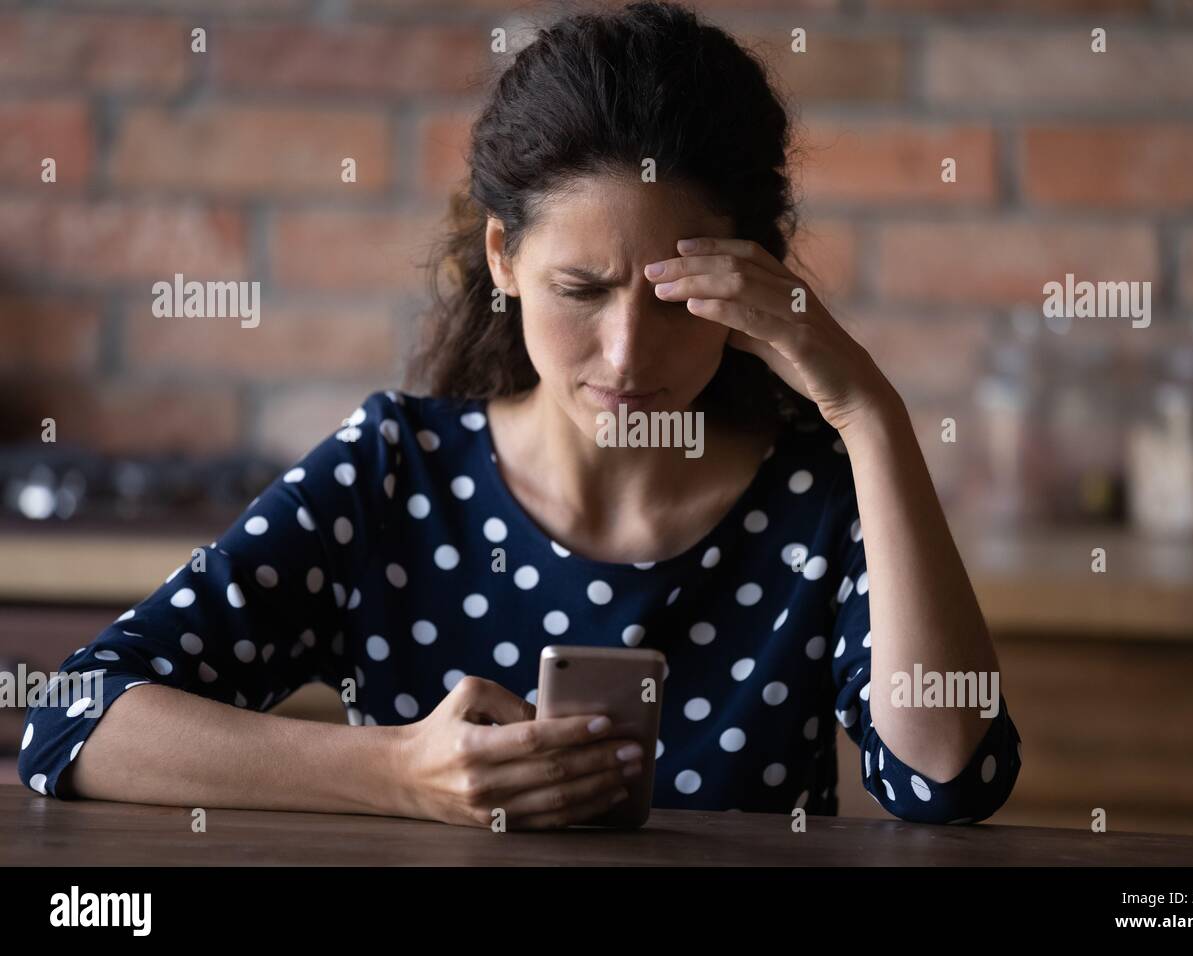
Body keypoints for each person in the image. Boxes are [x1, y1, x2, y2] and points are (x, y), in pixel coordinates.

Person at [18, 0, 1020, 829]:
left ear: (750, 278)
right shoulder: (395, 472)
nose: (626, 357)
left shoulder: (818, 491)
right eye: (581, 290)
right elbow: (71, 719)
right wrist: (399, 771)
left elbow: (944, 776)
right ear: (504, 258)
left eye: (675, 298)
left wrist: (867, 408)